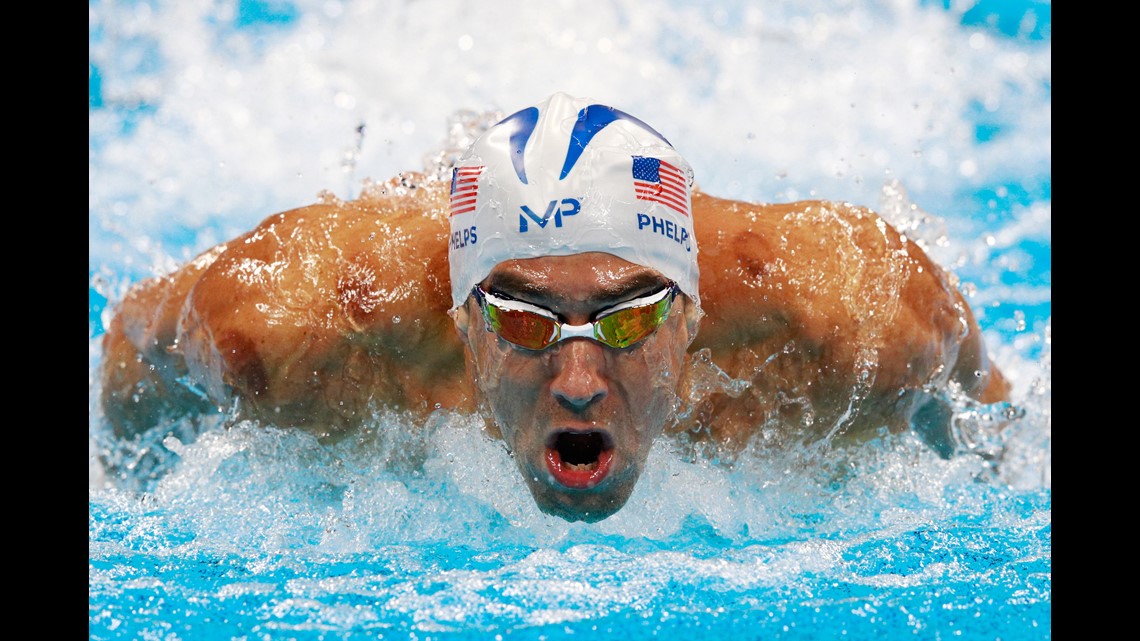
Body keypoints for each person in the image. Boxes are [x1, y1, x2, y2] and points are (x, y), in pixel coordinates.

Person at [99, 92, 1011, 522]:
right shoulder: (292, 330)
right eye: (526, 321)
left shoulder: (853, 320)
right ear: (460, 322)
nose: (579, 380)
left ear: (693, 314)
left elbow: (992, 424)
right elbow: (132, 349)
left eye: (627, 318)